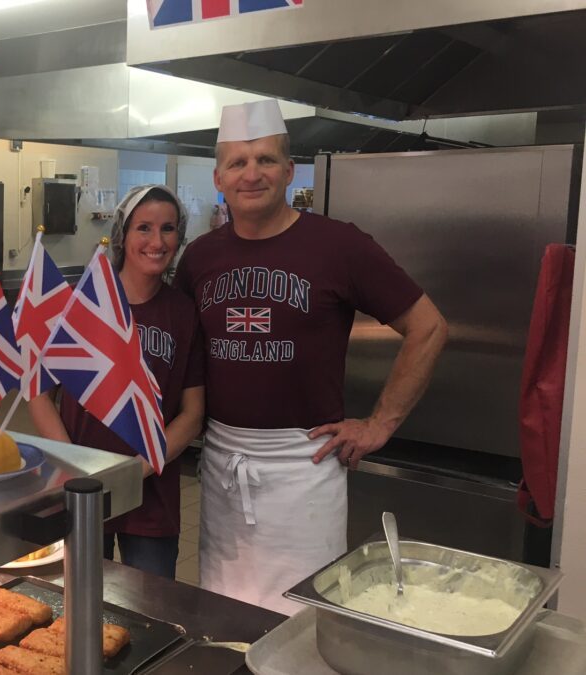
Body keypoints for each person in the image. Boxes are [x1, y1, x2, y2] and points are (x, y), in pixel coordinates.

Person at [173, 100, 448, 614]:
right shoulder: (200, 257)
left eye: (266, 160)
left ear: (289, 170)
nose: (251, 173)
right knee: (223, 611)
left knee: (304, 618)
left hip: (306, 469)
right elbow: (180, 355)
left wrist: (380, 423)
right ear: (218, 178)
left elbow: (428, 327)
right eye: (237, 163)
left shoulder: (338, 245)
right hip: (223, 467)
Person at [29, 185, 206, 579]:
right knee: (79, 606)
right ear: (123, 234)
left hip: (151, 493)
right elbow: (39, 395)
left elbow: (192, 415)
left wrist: (136, 470)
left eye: (168, 229)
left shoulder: (183, 313)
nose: (157, 241)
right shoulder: (82, 303)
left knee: (150, 609)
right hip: (80, 492)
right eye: (144, 228)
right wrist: (77, 470)